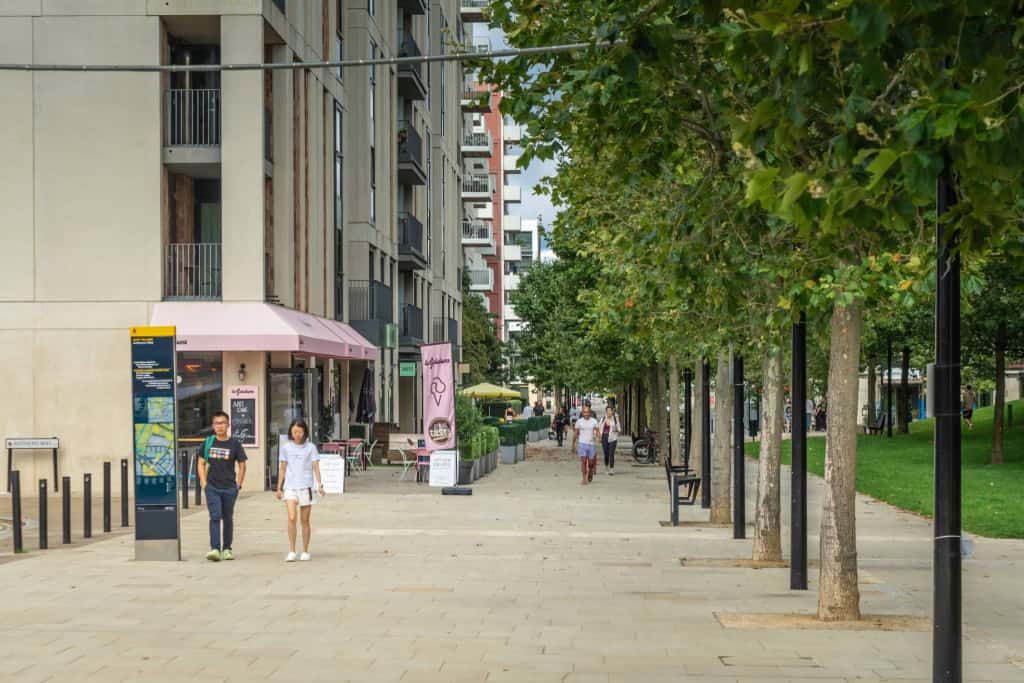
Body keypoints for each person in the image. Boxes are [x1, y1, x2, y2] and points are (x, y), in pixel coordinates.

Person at [198, 411, 247, 562]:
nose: (219, 426)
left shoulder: (235, 444)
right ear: (213, 426)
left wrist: (238, 484)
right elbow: (201, 463)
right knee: (215, 516)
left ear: (228, 425)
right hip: (212, 487)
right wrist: (204, 483)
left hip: (229, 488)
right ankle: (215, 549)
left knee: (227, 518)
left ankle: (227, 549)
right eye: (216, 423)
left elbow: (242, 464)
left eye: (222, 423)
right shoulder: (208, 442)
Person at [275, 418, 325, 562]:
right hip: (290, 487)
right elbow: (283, 468)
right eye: (295, 432)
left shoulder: (311, 448)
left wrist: (320, 484)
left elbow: (315, 466)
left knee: (305, 520)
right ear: (291, 432)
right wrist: (278, 488)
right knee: (292, 517)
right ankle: (292, 550)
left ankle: (305, 550)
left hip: (306, 487)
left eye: (300, 432)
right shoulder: (286, 448)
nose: (297, 434)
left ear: (304, 432)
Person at [572, 401, 600, 485]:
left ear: (590, 413)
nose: (586, 414)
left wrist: (598, 437)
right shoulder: (579, 422)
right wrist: (573, 445)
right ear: (582, 413)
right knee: (583, 461)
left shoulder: (594, 421)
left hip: (591, 444)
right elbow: (575, 433)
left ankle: (590, 470)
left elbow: (597, 431)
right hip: (582, 444)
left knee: (591, 463)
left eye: (587, 412)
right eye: (584, 412)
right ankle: (584, 478)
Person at [598, 405, 621, 476]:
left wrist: (611, 424)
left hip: (613, 438)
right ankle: (606, 468)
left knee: (611, 453)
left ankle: (611, 469)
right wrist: (599, 437)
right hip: (604, 437)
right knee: (606, 453)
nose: (609, 412)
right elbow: (598, 428)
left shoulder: (615, 418)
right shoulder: (603, 418)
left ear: (612, 411)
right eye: (607, 411)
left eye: (610, 411)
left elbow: (619, 429)